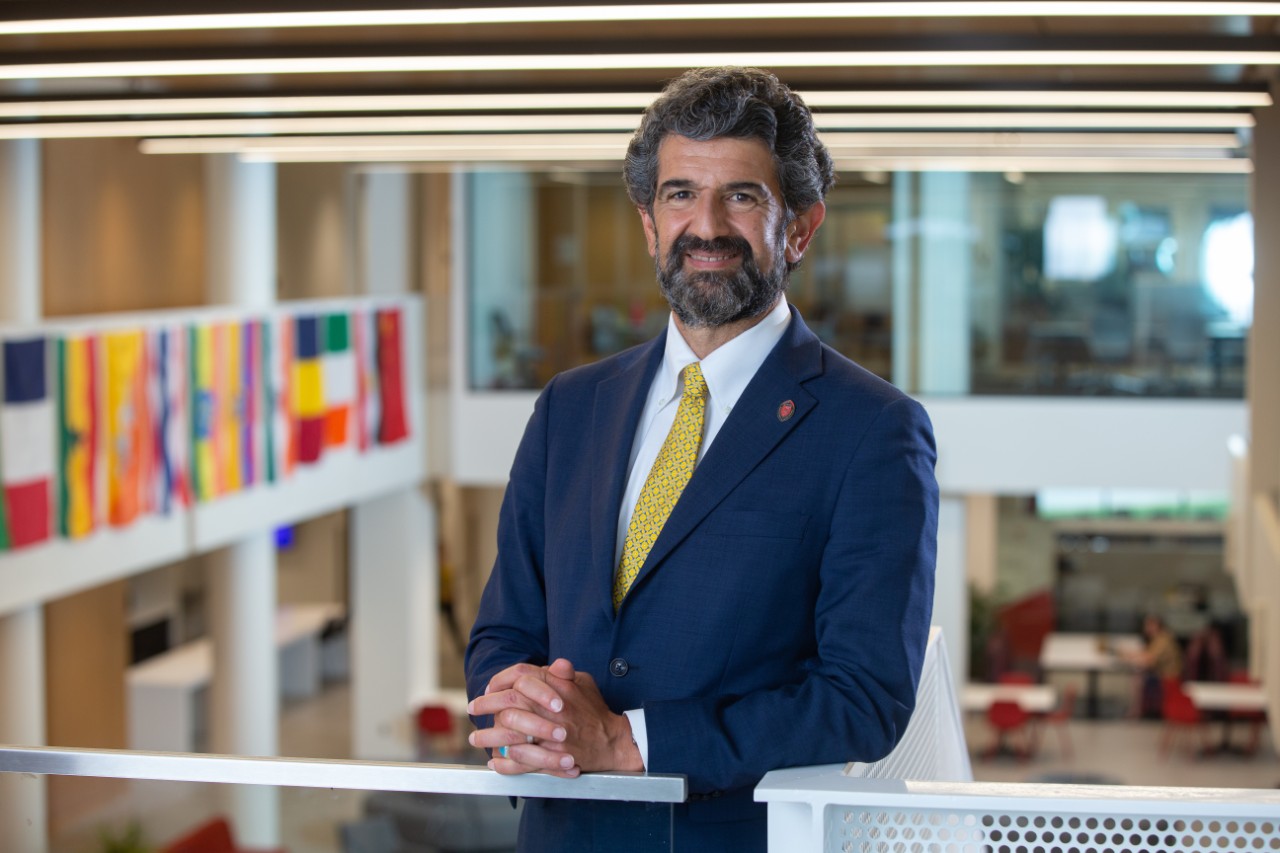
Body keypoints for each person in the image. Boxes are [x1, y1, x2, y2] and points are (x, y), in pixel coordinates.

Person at [464, 66, 939, 852]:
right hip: (561, 830)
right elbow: (504, 628)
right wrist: (525, 707)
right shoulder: (570, 407)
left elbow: (862, 696)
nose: (706, 225)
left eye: (741, 196)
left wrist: (630, 740)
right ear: (649, 224)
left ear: (801, 227)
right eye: (680, 194)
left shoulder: (873, 430)